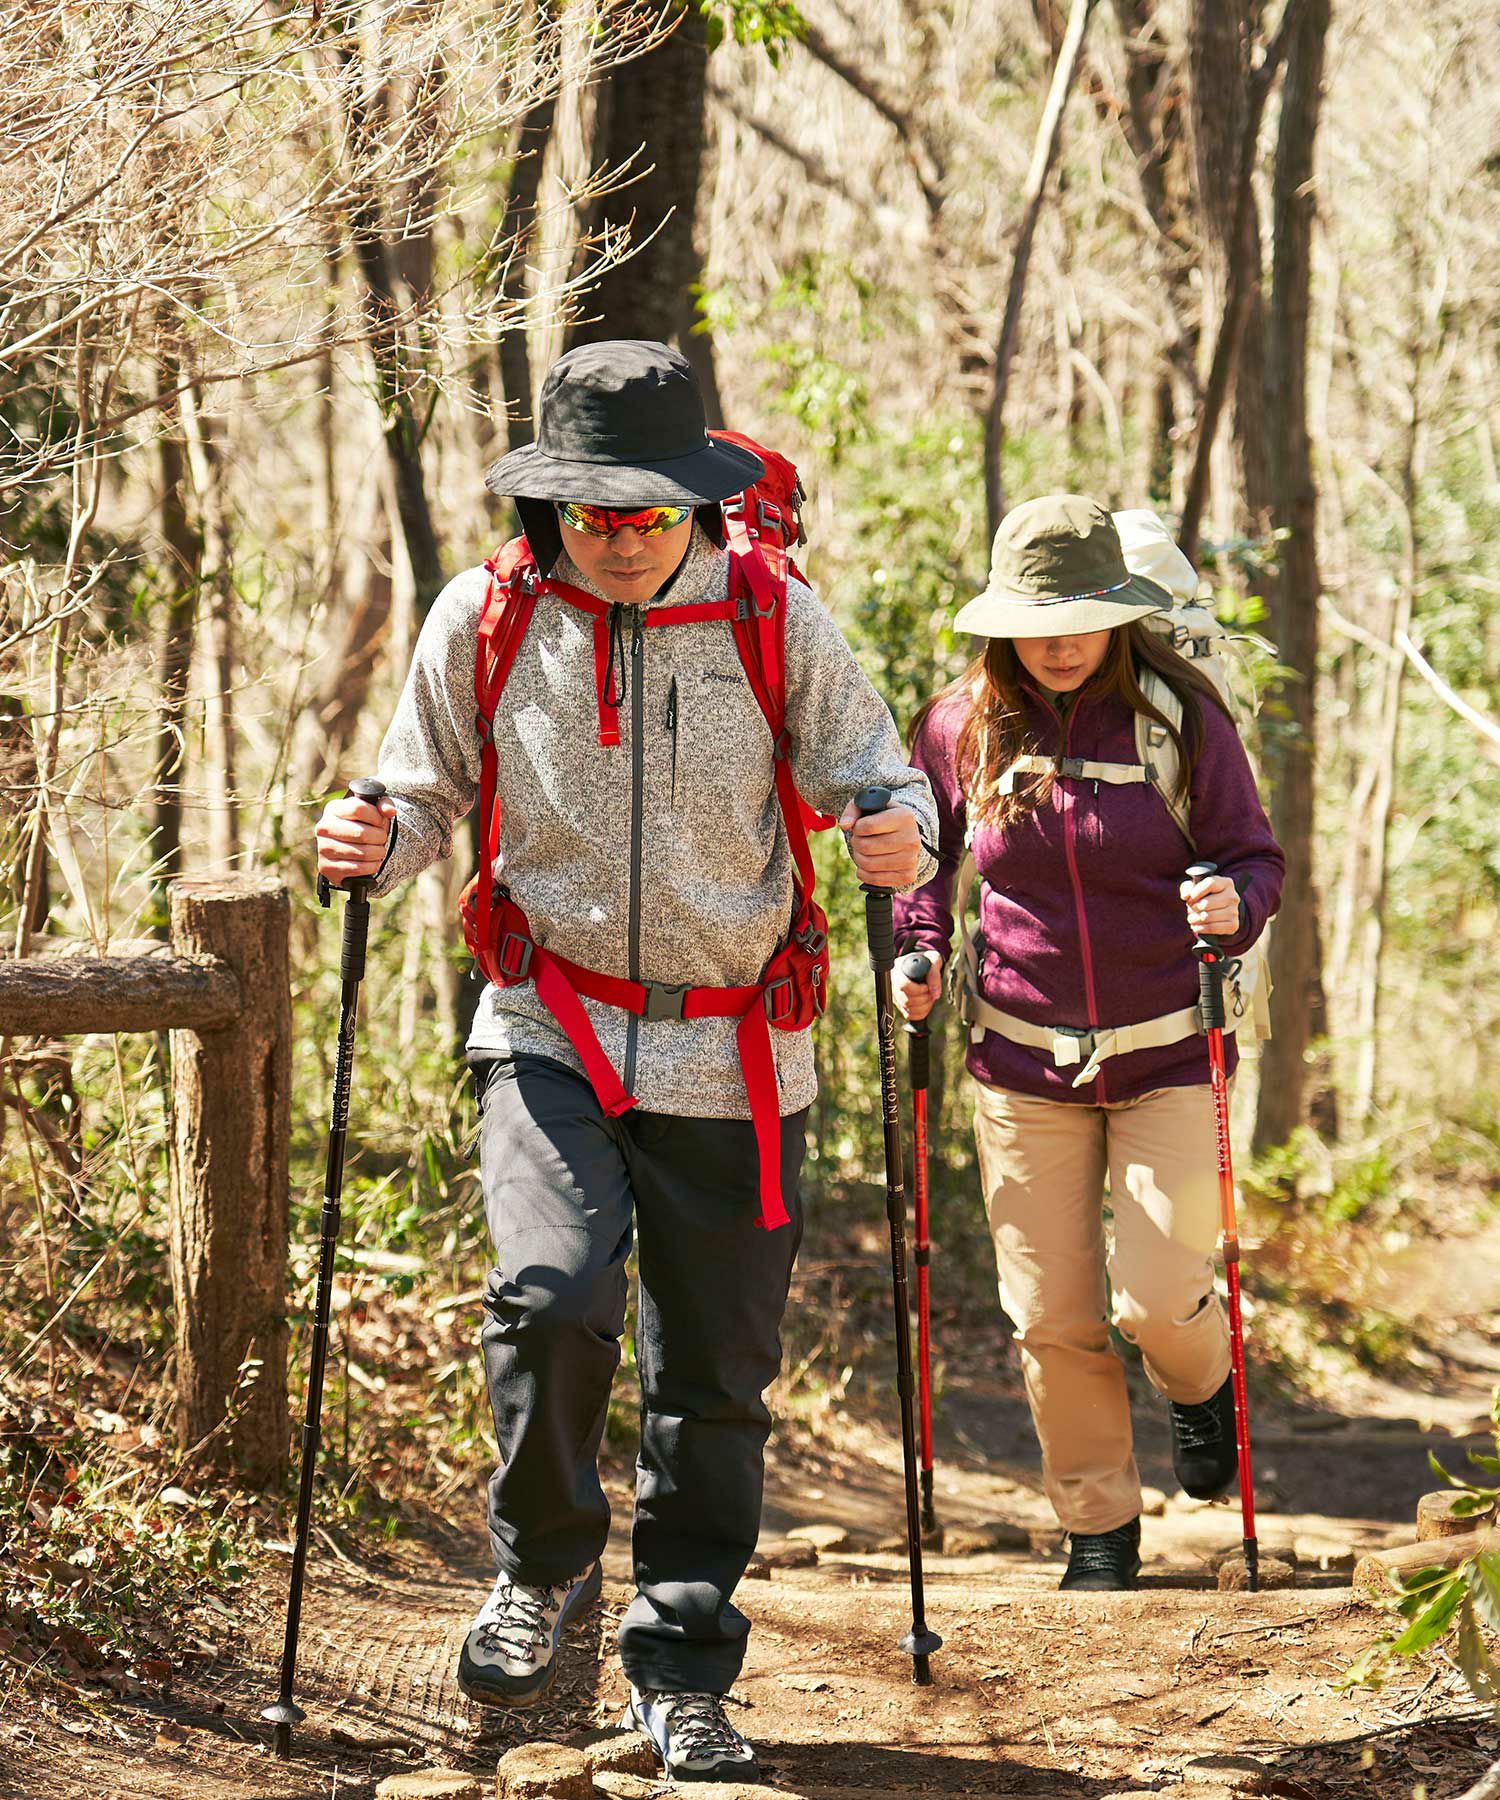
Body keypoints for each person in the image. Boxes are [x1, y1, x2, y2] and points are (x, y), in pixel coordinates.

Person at [314, 339, 936, 1779]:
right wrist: (372, 840)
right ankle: (538, 1570)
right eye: (590, 514)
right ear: (548, 505)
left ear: (698, 502)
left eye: (650, 513)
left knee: (713, 1381)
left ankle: (682, 1666)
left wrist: (902, 836)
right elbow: (420, 794)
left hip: (739, 1045)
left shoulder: (772, 611)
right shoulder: (487, 613)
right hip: (552, 1019)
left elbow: (877, 777)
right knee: (549, 1295)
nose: (619, 540)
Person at [892, 494, 1283, 1592]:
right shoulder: (958, 727)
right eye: (1036, 623)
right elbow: (923, 863)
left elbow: (1254, 857)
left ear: (1119, 616)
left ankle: (1201, 1384)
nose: (1059, 644)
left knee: (1155, 1299)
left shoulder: (1181, 720)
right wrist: (917, 952)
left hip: (1170, 1054)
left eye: (1080, 619)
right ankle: (1098, 1529)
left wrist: (1233, 908)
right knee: (1050, 1318)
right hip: (1022, 1062)